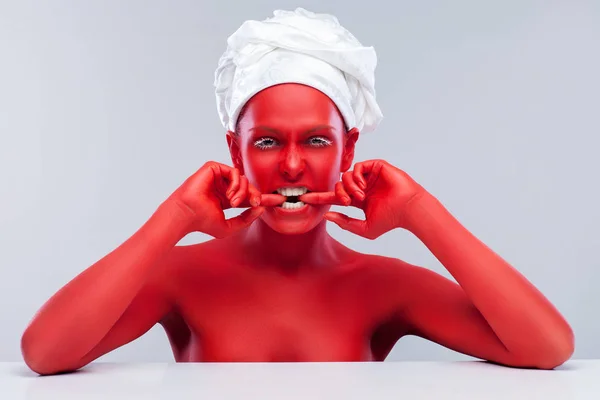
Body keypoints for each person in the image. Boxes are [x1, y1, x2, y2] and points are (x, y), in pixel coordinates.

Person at [21, 8, 574, 375]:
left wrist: (419, 212)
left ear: (348, 149)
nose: (291, 165)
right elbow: (44, 356)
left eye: (315, 140)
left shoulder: (383, 285)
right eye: (265, 142)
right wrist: (175, 216)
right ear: (235, 152)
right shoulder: (181, 277)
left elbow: (549, 349)